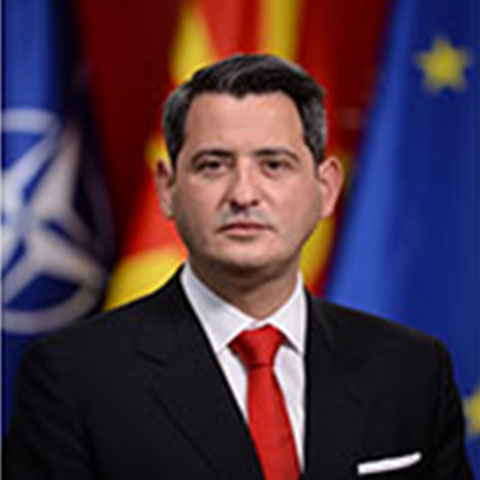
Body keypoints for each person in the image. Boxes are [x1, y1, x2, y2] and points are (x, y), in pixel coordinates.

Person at [4, 54, 472, 480]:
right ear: (168, 189)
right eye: (213, 165)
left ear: (326, 189)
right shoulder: (73, 376)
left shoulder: (412, 370)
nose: (244, 194)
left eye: (274, 165)